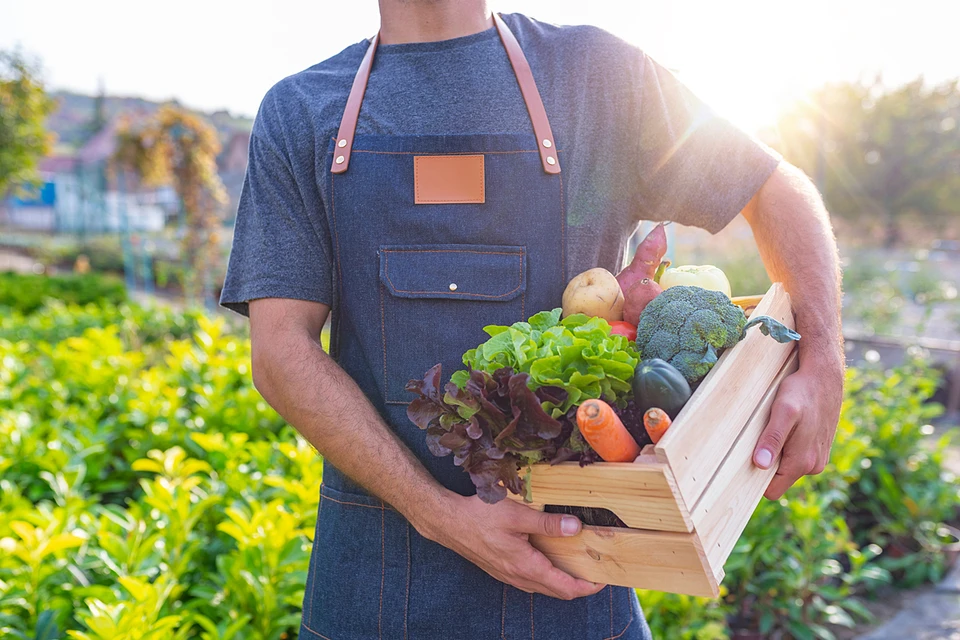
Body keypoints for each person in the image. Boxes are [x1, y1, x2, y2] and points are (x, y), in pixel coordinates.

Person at [220, 2, 844, 638]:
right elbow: (280, 351)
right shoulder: (301, 111)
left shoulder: (599, 77)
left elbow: (775, 189)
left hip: (578, 581)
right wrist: (439, 514)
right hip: (372, 589)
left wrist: (822, 360)